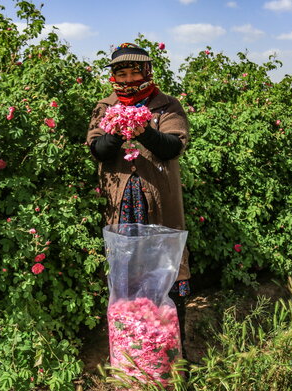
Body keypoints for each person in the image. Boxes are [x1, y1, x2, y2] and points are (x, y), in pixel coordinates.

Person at [86, 43, 191, 354]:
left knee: (165, 273)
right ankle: (132, 351)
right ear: (114, 77)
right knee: (126, 279)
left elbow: (172, 147)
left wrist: (143, 129)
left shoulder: (166, 106)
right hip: (121, 209)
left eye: (135, 71)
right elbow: (98, 150)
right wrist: (117, 130)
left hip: (158, 207)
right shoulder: (104, 107)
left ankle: (171, 352)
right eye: (123, 73)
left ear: (147, 73)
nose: (129, 79)